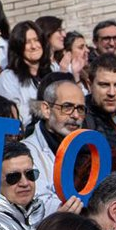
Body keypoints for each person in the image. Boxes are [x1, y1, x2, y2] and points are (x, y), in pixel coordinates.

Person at [21, 75, 81, 203]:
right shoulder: (27, 152)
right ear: (46, 109)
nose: (76, 115)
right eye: (67, 107)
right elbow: (36, 205)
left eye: (80, 109)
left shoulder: (89, 149)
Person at [0, 21, 45, 123]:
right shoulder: (8, 77)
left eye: (37, 40)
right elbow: (15, 116)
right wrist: (43, 109)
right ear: (18, 46)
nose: (34, 46)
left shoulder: (53, 69)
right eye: (27, 42)